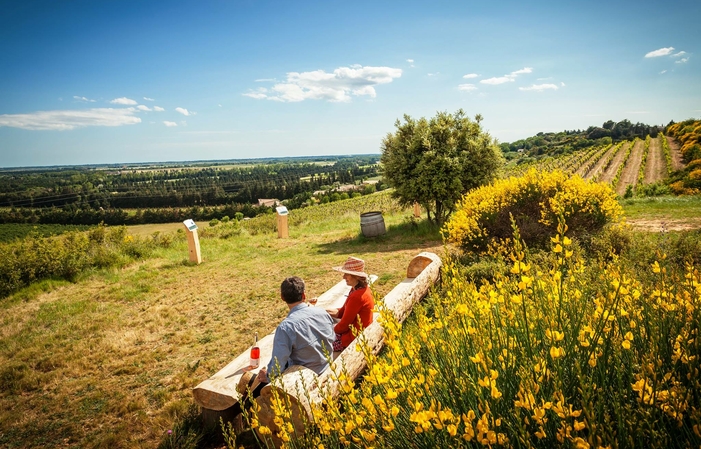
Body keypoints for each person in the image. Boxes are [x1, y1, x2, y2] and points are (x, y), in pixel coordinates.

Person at [256, 276, 335, 384]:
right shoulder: (323, 313)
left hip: (305, 378)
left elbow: (278, 363)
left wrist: (268, 376)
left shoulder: (285, 328)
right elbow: (332, 338)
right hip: (327, 367)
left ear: (282, 297)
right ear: (304, 295)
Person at [326, 256, 375, 351]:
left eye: (346, 274)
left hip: (352, 338)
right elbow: (342, 311)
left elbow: (344, 325)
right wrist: (321, 311)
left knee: (318, 344)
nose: (343, 277)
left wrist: (330, 331)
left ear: (356, 276)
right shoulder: (357, 290)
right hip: (356, 333)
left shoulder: (357, 296)